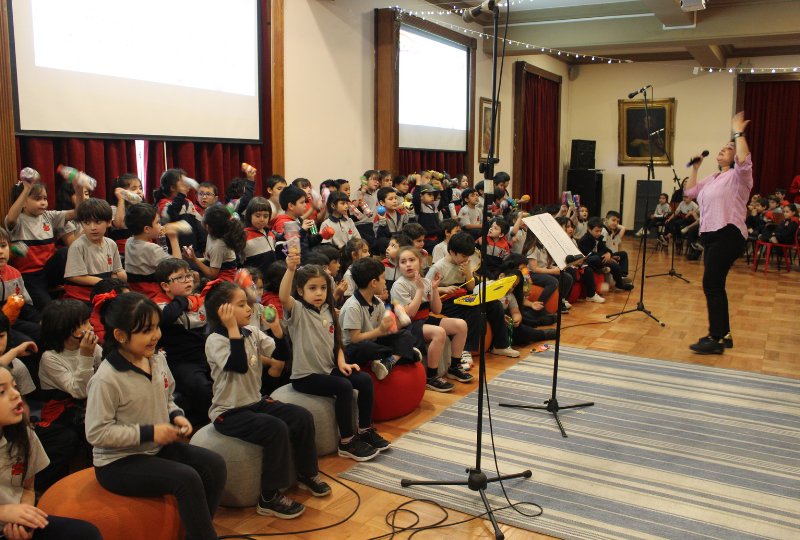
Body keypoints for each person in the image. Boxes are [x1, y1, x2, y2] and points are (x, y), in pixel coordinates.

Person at [86, 292, 226, 540]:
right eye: (146, 330)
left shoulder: (157, 359)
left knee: (214, 465)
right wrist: (150, 432)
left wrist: (176, 416)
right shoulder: (106, 379)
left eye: (157, 327)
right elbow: (97, 433)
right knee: (186, 478)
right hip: (117, 462)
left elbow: (168, 397)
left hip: (155, 448)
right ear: (120, 335)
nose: (156, 335)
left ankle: (196, 532)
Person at [203, 280, 330, 519]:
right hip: (229, 412)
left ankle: (306, 473)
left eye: (247, 303)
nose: (249, 309)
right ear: (224, 311)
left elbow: (282, 355)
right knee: (275, 428)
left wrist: (277, 330)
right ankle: (269, 497)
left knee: (301, 416)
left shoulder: (250, 332)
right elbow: (238, 366)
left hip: (255, 402)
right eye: (241, 304)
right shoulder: (215, 340)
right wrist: (232, 329)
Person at [280, 253, 390, 462]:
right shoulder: (298, 311)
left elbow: (337, 341)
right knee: (344, 387)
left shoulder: (329, 310)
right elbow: (284, 297)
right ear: (301, 291)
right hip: (305, 376)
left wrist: (341, 362)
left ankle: (365, 429)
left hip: (329, 368)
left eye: (323, 288)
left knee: (364, 380)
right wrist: (291, 269)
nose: (319, 293)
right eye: (312, 288)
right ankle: (346, 442)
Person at [0, 366, 103, 540]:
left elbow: (28, 488)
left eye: (15, 386)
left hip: (14, 525)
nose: (16, 394)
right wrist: (3, 512)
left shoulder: (23, 435)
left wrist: (25, 520)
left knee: (86, 533)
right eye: (2, 392)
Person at [683, 112, 752, 355]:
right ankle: (724, 334)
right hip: (711, 235)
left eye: (729, 148)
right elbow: (689, 193)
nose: (724, 149)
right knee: (715, 284)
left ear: (735, 156)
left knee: (711, 284)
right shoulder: (713, 177)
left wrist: (738, 133)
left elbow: (745, 160)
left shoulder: (739, 176)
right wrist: (695, 168)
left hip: (728, 233)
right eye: (722, 147)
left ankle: (716, 338)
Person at [35, 300, 101, 491]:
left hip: (90, 401)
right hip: (61, 410)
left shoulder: (94, 347)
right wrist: (86, 355)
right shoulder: (50, 357)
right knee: (90, 426)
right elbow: (79, 391)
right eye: (84, 323)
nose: (91, 327)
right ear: (66, 329)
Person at [63, 198, 126, 302]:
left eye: (97, 222)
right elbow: (74, 276)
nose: (92, 227)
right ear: (82, 224)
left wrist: (122, 276)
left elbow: (117, 271)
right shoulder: (77, 246)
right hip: (82, 296)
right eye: (87, 222)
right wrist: (103, 282)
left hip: (105, 292)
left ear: (109, 222)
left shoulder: (111, 244)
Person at [185, 205, 245, 281]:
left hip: (224, 280)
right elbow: (210, 260)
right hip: (216, 270)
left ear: (207, 226)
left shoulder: (218, 245)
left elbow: (212, 275)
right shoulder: (213, 234)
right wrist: (192, 259)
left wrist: (195, 260)